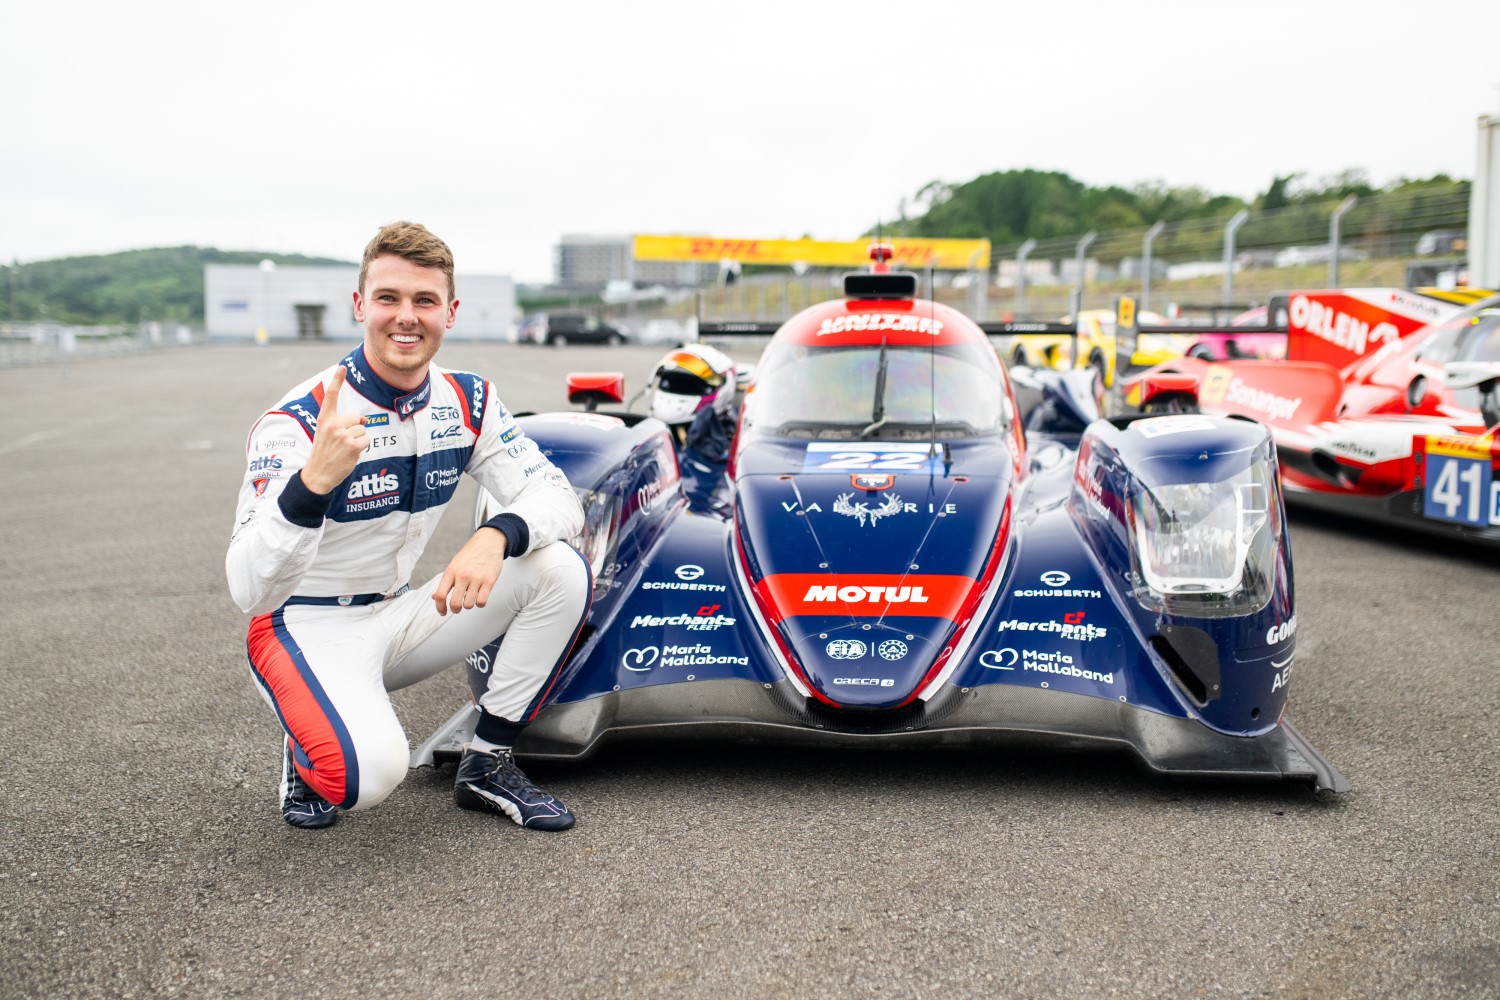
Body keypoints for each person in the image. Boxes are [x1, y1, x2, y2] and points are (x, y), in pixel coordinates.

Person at [226, 221, 589, 832]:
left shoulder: (469, 400)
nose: (406, 317)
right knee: (362, 779)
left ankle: (488, 763)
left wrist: (494, 535)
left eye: (424, 301)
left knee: (557, 569)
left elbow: (558, 497)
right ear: (360, 305)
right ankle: (304, 739)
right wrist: (311, 483)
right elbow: (249, 592)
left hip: (395, 615)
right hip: (303, 629)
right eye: (389, 298)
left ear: (449, 312)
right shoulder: (298, 419)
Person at [648, 344, 738, 516]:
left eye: (689, 385)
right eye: (673, 383)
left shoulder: (729, 445)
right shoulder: (649, 440)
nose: (677, 389)